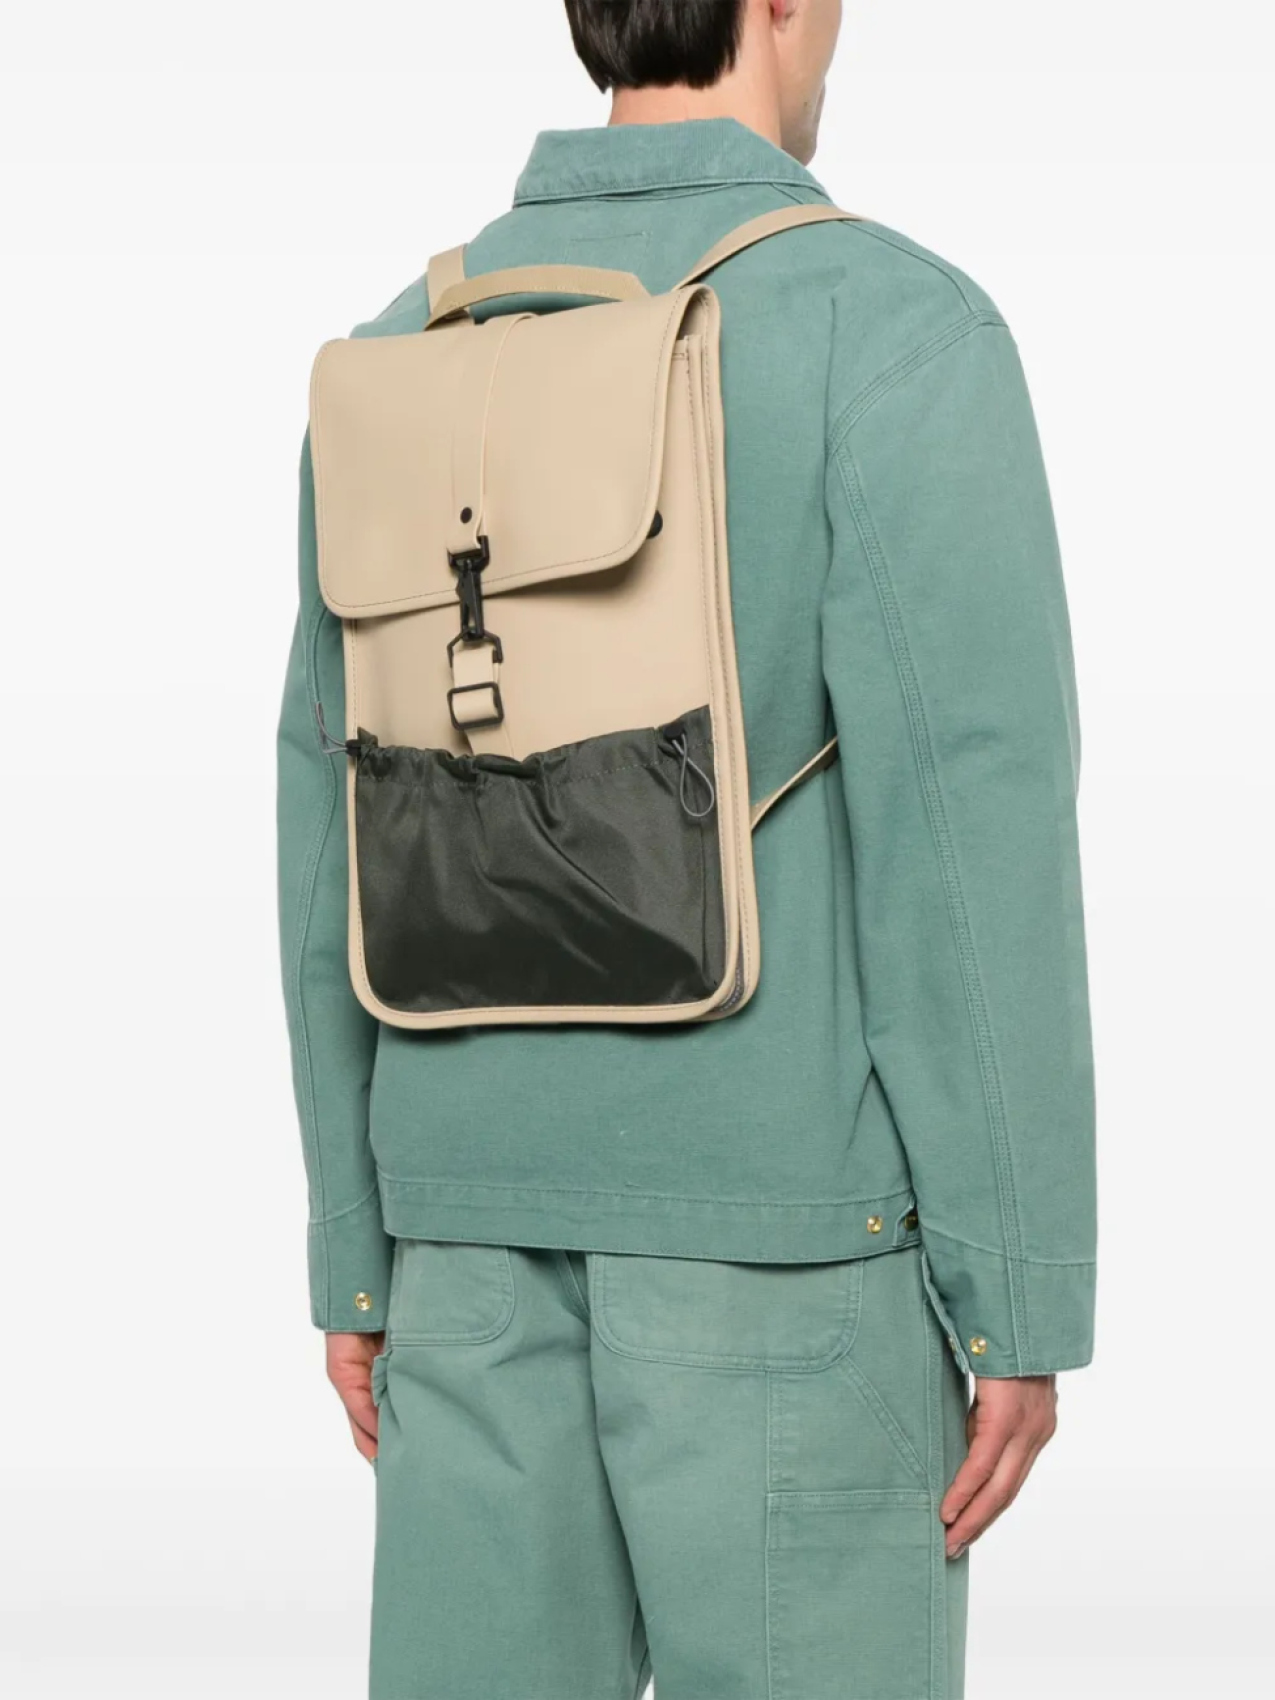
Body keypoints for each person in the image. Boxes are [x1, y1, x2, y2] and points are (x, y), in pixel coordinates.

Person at [276, 2, 1096, 1694]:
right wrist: (1019, 1294)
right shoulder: (887, 326)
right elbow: (970, 836)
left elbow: (325, 823)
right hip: (790, 1249)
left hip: (461, 1243)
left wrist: (356, 1253)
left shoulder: (399, 352)